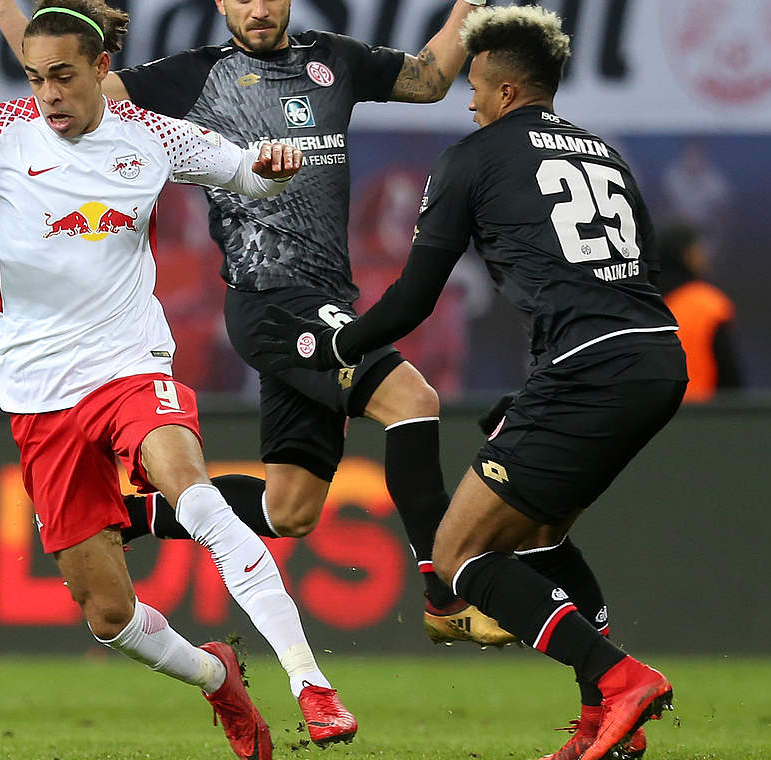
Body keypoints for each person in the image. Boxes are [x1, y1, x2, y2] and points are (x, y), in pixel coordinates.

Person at [0, 2, 354, 756]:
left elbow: (243, 174)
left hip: (130, 366)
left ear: (102, 70)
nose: (49, 95)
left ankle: (311, 684)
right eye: (36, 79)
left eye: (64, 76)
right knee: (108, 618)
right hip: (37, 392)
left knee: (195, 496)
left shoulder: (150, 134)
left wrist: (267, 170)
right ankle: (217, 677)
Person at [0, 0, 515, 647]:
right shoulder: (197, 75)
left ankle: (134, 513)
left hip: (326, 300)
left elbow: (429, 80)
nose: (258, 8)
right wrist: (11, 13)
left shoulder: (334, 61)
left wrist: (467, 10)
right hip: (270, 300)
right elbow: (67, 82)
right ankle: (443, 593)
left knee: (290, 511)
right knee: (413, 400)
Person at [257, 7, 683, 760]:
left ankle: (618, 680)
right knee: (543, 535)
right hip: (652, 359)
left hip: (591, 368)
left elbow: (417, 296)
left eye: (479, 88)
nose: (469, 102)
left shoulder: (476, 157)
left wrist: (338, 343)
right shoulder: (607, 156)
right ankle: (601, 727)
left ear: (510, 90)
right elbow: (632, 278)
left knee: (458, 557)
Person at [656, 223, 741, 402]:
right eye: (699, 248)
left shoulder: (635, 305)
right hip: (702, 420)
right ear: (685, 255)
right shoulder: (707, 305)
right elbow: (730, 380)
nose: (705, 255)